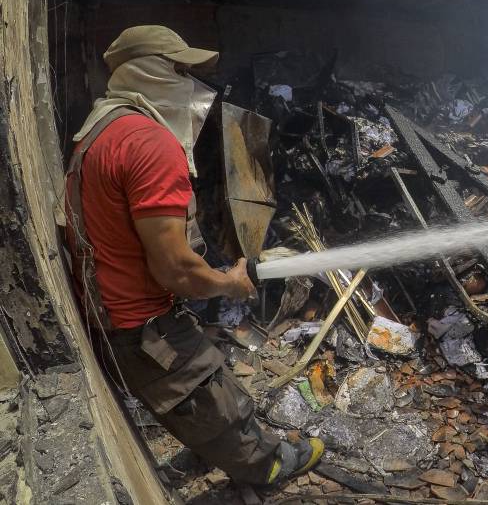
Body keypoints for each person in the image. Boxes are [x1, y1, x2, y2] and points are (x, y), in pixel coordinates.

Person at [63, 25, 323, 486]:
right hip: (139, 324)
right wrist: (232, 281)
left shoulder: (100, 129)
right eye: (181, 70)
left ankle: (214, 445)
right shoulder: (150, 143)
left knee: (196, 389)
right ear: (149, 72)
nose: (194, 84)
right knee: (215, 399)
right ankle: (267, 467)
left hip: (108, 308)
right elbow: (176, 269)